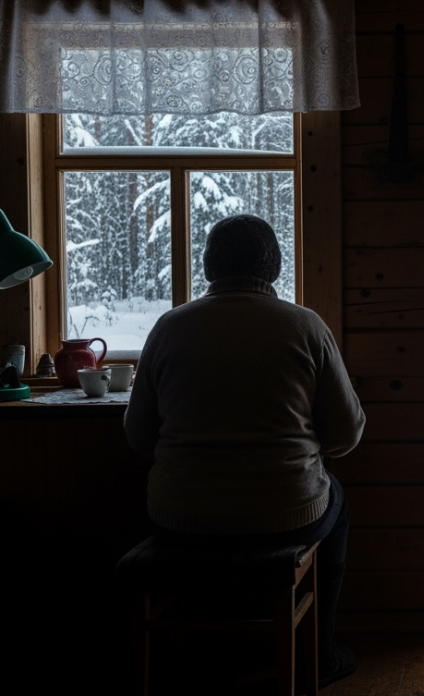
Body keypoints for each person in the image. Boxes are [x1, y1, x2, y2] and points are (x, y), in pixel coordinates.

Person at [124, 214, 364, 689]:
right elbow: (347, 434)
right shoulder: (305, 327)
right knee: (338, 502)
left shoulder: (169, 328)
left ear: (209, 265)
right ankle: (321, 653)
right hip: (287, 516)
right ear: (272, 266)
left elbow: (138, 437)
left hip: (178, 520)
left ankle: (197, 658)